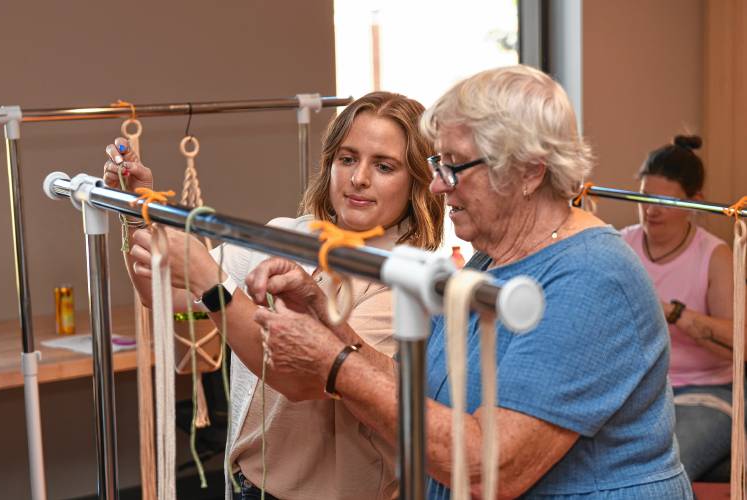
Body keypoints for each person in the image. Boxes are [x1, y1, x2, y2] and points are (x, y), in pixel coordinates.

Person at [247, 65, 693, 498]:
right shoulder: (490, 260)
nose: (438, 187)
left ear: (529, 171)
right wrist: (330, 323)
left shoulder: (592, 278)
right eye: (437, 163)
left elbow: (490, 469)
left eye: (455, 167)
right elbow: (415, 385)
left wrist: (333, 363)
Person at [102, 91, 444, 500]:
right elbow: (161, 292)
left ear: (417, 183)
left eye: (384, 166)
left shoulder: (407, 281)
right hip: (248, 484)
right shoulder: (284, 235)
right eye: (347, 159)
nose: (359, 179)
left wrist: (211, 282)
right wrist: (134, 207)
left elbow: (303, 379)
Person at [621, 135, 742, 482]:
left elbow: (739, 343)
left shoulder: (714, 256)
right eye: (644, 197)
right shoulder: (622, 244)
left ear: (695, 202)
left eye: (663, 200)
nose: (651, 210)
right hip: (639, 391)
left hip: (708, 393)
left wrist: (673, 313)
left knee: (658, 473)